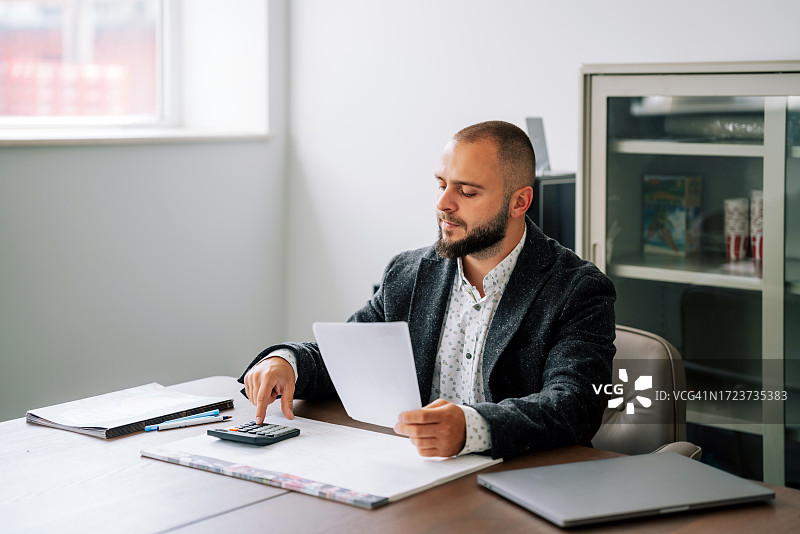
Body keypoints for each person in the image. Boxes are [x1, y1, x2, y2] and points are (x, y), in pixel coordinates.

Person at [240, 120, 616, 460]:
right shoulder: (408, 273)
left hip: (521, 479)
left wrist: (472, 428)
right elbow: (348, 357)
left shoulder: (578, 289)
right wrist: (286, 362)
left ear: (519, 202)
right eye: (441, 184)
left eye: (466, 192)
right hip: (417, 473)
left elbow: (575, 404)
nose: (442, 204)